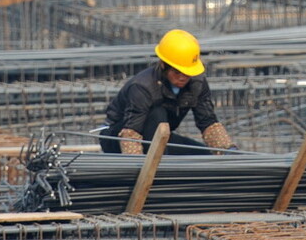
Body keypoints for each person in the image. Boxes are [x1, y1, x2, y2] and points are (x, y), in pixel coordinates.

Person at [101, 29, 237, 155]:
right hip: (119, 137)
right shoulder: (142, 87)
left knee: (204, 156)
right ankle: (158, 167)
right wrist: (139, 169)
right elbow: (131, 133)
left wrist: (226, 150)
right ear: (163, 65)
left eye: (187, 73)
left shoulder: (197, 83)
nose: (183, 77)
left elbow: (208, 122)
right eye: (177, 72)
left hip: (158, 138)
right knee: (157, 114)